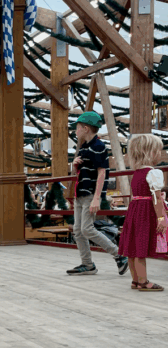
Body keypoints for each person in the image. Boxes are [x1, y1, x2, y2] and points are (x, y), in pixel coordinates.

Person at [66, 112, 128, 277]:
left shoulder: (99, 146)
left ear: (85, 128)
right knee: (78, 231)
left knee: (86, 228)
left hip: (90, 194)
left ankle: (119, 254)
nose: (75, 132)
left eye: (77, 129)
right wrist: (75, 165)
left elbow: (102, 173)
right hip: (80, 194)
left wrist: (96, 198)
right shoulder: (84, 147)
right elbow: (82, 172)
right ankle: (87, 264)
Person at [118, 134, 167, 291]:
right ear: (151, 152)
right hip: (146, 212)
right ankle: (144, 282)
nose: (160, 153)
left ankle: (135, 280)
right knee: (141, 247)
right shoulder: (154, 173)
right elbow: (156, 198)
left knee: (133, 246)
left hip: (135, 211)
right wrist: (161, 217)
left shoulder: (136, 173)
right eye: (159, 150)